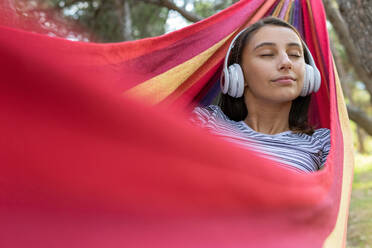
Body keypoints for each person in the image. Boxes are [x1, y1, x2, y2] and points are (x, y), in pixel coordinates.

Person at [190, 17, 331, 173]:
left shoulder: (322, 142)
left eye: (295, 54)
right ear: (237, 74)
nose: (286, 62)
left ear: (309, 74)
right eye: (267, 54)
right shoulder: (205, 121)